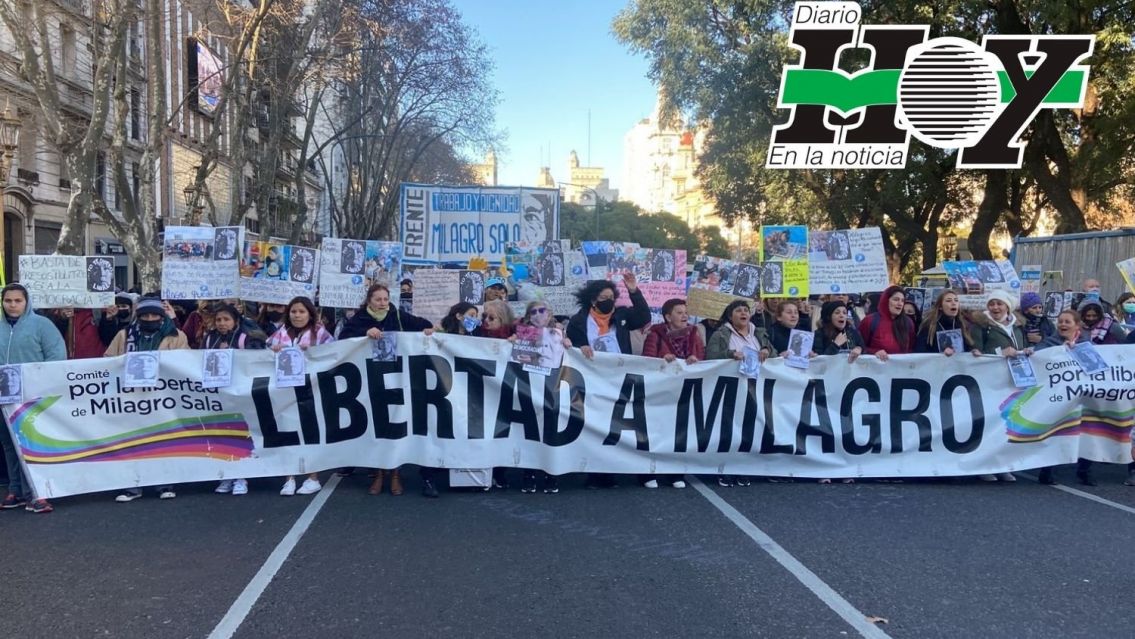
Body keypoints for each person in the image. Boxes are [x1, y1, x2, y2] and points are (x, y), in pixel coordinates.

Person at [339, 284, 435, 496]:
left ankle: (395, 472)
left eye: (385, 299)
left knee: (394, 424)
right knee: (376, 424)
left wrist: (428, 330)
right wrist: (365, 333)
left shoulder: (397, 315)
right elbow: (343, 339)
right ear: (369, 301)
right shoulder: (359, 319)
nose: (383, 303)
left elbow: (422, 325)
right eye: (378, 299)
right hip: (368, 378)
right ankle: (378, 472)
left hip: (396, 377)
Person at [566, 273, 650, 489]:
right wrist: (580, 347)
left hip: (619, 379)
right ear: (593, 299)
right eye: (604, 297)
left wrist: (634, 291)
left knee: (619, 424)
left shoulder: (621, 316)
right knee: (595, 424)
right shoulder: (578, 321)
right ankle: (595, 474)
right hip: (593, 380)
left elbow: (643, 317)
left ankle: (616, 470)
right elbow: (572, 349)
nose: (609, 301)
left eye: (612, 296)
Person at [105, 297, 190, 502]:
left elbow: (185, 364)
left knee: (162, 440)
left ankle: (164, 483)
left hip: (162, 398)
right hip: (131, 397)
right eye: (145, 315)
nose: (150, 319)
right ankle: (133, 485)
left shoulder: (176, 336)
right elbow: (108, 362)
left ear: (161, 317)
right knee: (132, 440)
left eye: (154, 315)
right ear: (139, 316)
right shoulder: (124, 336)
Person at [0, 284, 66, 513]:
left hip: (32, 396)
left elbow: (57, 356)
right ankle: (15, 490)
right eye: (8, 301)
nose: (12, 305)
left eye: (18, 301)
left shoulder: (42, 325)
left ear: (27, 302)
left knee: (32, 444)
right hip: (4, 397)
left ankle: (38, 492)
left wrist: (42, 383)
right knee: (9, 444)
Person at [267, 296, 334, 496]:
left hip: (310, 390)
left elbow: (334, 354)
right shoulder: (280, 333)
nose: (297, 315)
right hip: (285, 391)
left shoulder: (320, 333)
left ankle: (312, 477)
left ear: (310, 314)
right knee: (287, 432)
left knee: (310, 432)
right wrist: (273, 350)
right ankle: (289, 477)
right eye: (294, 311)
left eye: (302, 311)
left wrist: (314, 352)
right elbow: (264, 355)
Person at [705, 300, 771, 487]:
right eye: (738, 310)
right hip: (730, 390)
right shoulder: (721, 334)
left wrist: (767, 349)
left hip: (755, 389)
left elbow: (773, 354)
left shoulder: (759, 333)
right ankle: (724, 468)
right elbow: (710, 357)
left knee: (749, 429)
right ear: (730, 315)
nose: (743, 313)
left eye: (746, 310)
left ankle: (743, 467)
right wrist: (730, 355)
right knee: (728, 429)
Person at [641, 298, 703, 489]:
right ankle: (647, 472)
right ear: (667, 317)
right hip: (660, 392)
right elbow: (646, 360)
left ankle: (675, 472)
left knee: (679, 431)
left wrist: (695, 359)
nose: (684, 315)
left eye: (686, 312)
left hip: (683, 391)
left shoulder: (694, 333)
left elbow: (703, 357)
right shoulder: (655, 334)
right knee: (656, 430)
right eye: (679, 312)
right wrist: (661, 359)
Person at [512, 300, 572, 494]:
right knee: (530, 431)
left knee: (550, 431)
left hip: (551, 387)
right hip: (529, 386)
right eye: (534, 312)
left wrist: (567, 343)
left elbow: (568, 356)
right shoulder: (523, 332)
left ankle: (550, 474)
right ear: (529, 316)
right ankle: (529, 474)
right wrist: (513, 342)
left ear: (549, 313)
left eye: (542, 310)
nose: (538, 314)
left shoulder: (559, 332)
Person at [1035, 310, 1095, 486]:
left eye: (1067, 322)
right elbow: (1037, 357)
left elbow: (1096, 365)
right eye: (1060, 321)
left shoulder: (1086, 343)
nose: (1062, 325)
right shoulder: (1048, 343)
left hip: (1082, 395)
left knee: (1087, 432)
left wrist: (1076, 351)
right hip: (1058, 396)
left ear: (1077, 325)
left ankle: (1085, 471)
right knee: (1055, 431)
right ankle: (1047, 470)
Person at [858, 285, 915, 360]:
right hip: (875, 369)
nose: (900, 303)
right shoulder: (870, 321)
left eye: (902, 300)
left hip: (901, 370)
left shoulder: (908, 323)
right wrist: (874, 352)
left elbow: (912, 349)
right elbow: (859, 347)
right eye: (896, 299)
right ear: (886, 300)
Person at [915, 289, 977, 355]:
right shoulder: (929, 326)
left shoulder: (963, 325)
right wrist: (941, 353)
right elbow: (920, 352)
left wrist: (973, 351)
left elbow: (968, 346)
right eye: (948, 301)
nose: (953, 303)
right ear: (940, 307)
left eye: (956, 300)